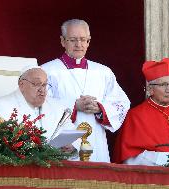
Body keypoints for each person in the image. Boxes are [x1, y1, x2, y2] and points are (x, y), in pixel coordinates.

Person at [41, 19, 130, 163]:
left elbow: (121, 102)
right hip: (63, 144)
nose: (79, 44)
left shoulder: (103, 72)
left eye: (83, 39)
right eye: (73, 40)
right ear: (63, 41)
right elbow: (39, 106)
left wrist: (100, 108)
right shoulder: (47, 71)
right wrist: (74, 106)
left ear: (88, 41)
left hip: (96, 140)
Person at [113, 58, 169, 166]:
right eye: (163, 85)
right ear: (150, 89)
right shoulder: (135, 116)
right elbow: (128, 159)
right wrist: (168, 159)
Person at [0, 66, 77, 150]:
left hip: (58, 164)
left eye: (44, 85)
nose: (42, 90)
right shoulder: (0, 107)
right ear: (21, 84)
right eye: (36, 84)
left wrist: (71, 145)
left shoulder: (57, 106)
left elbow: (71, 134)